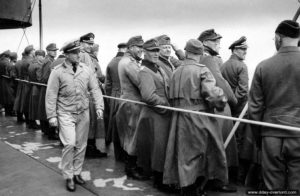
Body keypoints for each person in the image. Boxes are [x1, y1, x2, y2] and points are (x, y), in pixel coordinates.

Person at [163, 39, 228, 196]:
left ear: (186, 52)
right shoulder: (202, 70)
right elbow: (214, 96)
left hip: (178, 118)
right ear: (200, 54)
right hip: (197, 117)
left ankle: (187, 187)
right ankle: (195, 189)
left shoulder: (176, 71)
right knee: (200, 154)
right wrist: (222, 101)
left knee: (183, 156)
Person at [46, 40, 104, 192]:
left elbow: (95, 89)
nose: (78, 55)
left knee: (81, 144)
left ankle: (77, 172)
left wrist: (99, 106)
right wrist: (51, 116)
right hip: (65, 112)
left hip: (83, 112)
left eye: (79, 52)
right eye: (74, 52)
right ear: (66, 54)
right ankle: (68, 176)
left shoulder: (86, 70)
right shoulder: (57, 71)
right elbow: (51, 94)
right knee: (70, 144)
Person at [248, 20, 300, 192]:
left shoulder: (263, 66)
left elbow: (254, 109)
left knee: (273, 188)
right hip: (298, 133)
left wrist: (259, 137)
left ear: (278, 38)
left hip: (271, 135)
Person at [198, 29, 238, 190]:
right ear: (205, 43)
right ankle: (217, 180)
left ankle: (215, 178)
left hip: (210, 106)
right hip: (218, 107)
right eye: (215, 42)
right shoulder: (208, 58)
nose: (218, 45)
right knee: (220, 144)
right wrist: (234, 100)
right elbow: (220, 83)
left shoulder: (204, 57)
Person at [135, 38, 171, 191]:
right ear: (144, 52)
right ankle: (159, 181)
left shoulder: (158, 68)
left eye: (157, 50)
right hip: (154, 115)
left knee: (160, 148)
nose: (156, 53)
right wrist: (167, 107)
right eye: (152, 51)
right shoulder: (145, 71)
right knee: (158, 148)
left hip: (161, 115)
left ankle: (160, 176)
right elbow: (148, 96)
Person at [116, 35, 148, 180]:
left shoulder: (127, 60)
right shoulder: (129, 63)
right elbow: (141, 82)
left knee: (130, 134)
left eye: (142, 47)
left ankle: (132, 165)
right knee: (132, 136)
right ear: (130, 48)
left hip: (129, 102)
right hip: (133, 104)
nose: (141, 50)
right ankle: (131, 168)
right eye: (138, 47)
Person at [105, 42, 127, 161]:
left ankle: (118, 154)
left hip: (114, 95)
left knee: (114, 124)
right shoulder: (127, 62)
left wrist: (109, 97)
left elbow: (107, 84)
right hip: (125, 96)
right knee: (124, 125)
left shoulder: (111, 62)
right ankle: (124, 154)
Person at [37, 43, 59, 139]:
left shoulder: (48, 60)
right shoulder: (49, 62)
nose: (55, 52)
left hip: (46, 88)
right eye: (53, 51)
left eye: (55, 50)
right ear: (48, 51)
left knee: (44, 110)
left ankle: (46, 131)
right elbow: (45, 77)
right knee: (49, 109)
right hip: (48, 88)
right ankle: (50, 133)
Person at [13, 45, 38, 128]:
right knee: (28, 103)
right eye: (34, 50)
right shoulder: (31, 61)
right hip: (28, 84)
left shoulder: (20, 61)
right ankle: (30, 122)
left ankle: (25, 120)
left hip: (21, 83)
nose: (35, 51)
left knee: (21, 102)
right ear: (31, 52)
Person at [28, 50, 45, 126]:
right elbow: (39, 78)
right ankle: (37, 124)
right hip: (38, 88)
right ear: (38, 56)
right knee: (38, 108)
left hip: (33, 87)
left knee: (33, 107)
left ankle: (32, 123)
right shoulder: (38, 66)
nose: (44, 58)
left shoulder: (31, 64)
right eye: (43, 56)